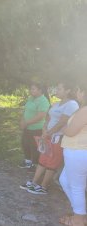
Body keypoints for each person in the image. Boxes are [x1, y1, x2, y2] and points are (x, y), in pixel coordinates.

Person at [20, 82, 79, 195]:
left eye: (59, 89)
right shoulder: (56, 104)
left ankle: (44, 186)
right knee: (43, 159)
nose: (56, 91)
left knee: (52, 161)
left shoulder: (71, 104)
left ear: (67, 90)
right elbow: (48, 118)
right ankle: (34, 182)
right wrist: (44, 130)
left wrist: (49, 133)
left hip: (58, 138)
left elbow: (62, 122)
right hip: (47, 136)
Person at [58, 86, 87, 226]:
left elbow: (71, 132)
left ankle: (79, 220)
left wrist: (64, 129)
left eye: (79, 90)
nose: (77, 93)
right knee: (64, 180)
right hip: (77, 151)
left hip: (78, 151)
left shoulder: (85, 110)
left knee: (76, 186)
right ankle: (80, 212)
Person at [19, 82, 51, 170]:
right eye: (31, 88)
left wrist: (27, 123)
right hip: (27, 128)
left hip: (37, 129)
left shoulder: (43, 101)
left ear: (40, 90)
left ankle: (35, 164)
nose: (31, 90)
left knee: (35, 147)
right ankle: (28, 161)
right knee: (25, 144)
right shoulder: (31, 98)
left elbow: (41, 116)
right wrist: (22, 121)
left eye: (33, 89)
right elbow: (26, 110)